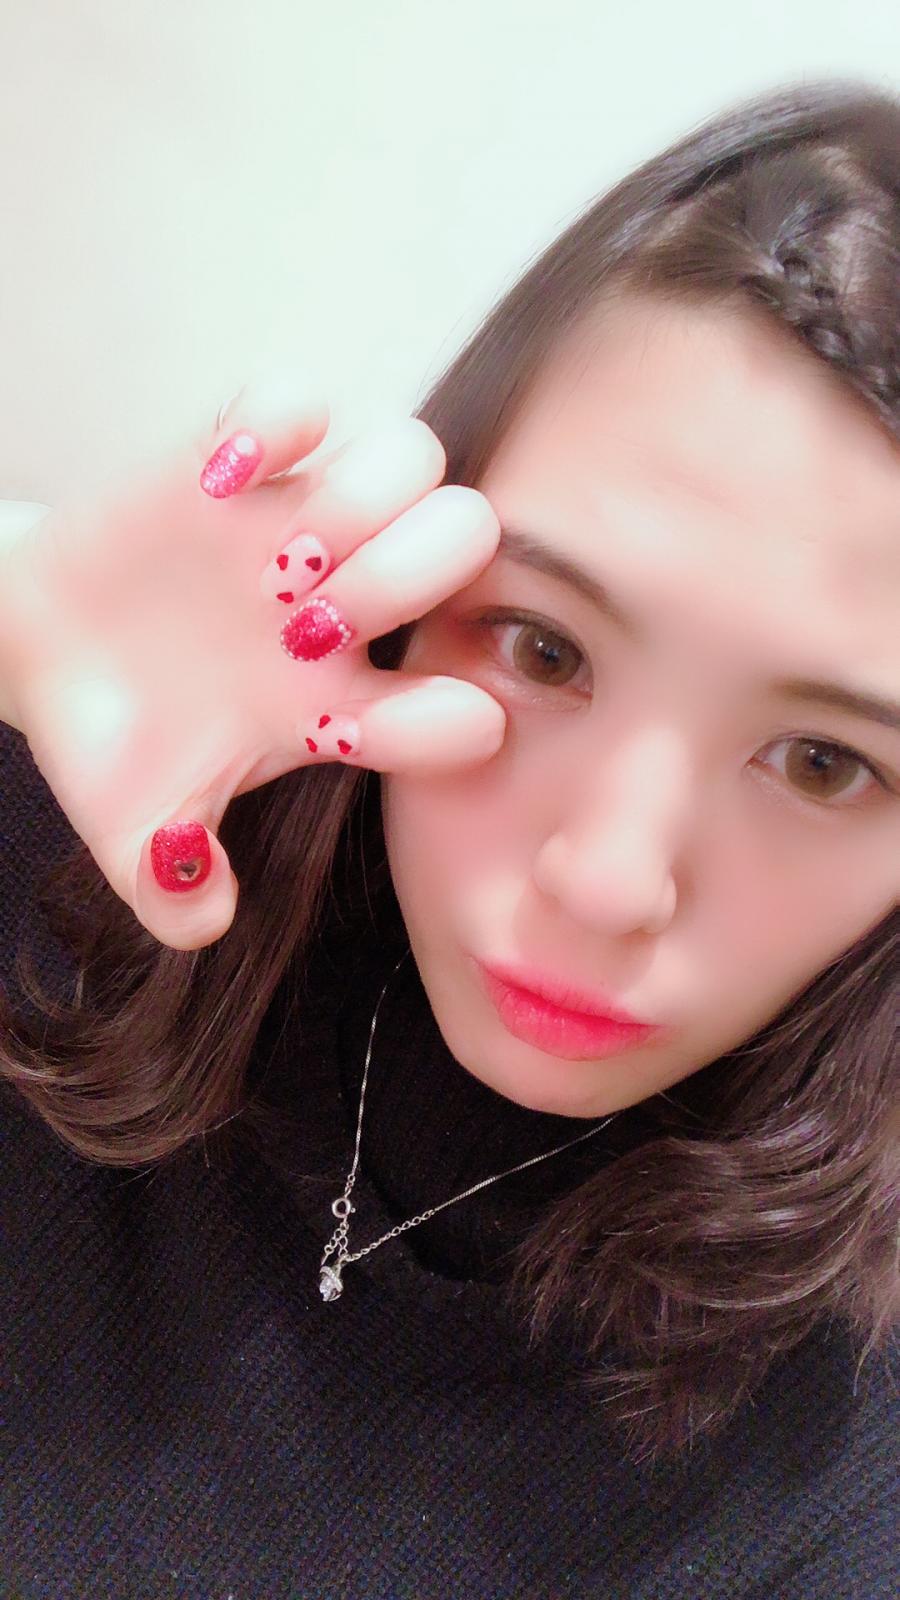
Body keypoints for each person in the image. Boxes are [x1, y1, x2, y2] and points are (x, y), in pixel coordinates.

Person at [0, 76, 897, 1599]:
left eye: (822, 763)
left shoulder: (842, 1465)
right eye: (545, 649)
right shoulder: (99, 856)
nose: (608, 880)